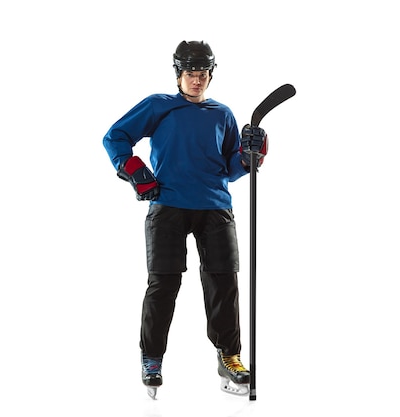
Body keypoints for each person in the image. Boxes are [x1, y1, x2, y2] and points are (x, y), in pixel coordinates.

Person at [102, 40, 267, 398]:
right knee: (164, 284)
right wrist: (133, 169)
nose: (197, 80)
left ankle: (230, 357)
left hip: (215, 207)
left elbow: (230, 167)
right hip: (169, 206)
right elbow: (115, 136)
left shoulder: (222, 113)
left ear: (211, 74)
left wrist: (250, 157)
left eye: (203, 73)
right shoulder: (159, 106)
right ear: (179, 74)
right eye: (191, 73)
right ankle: (152, 358)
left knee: (224, 283)